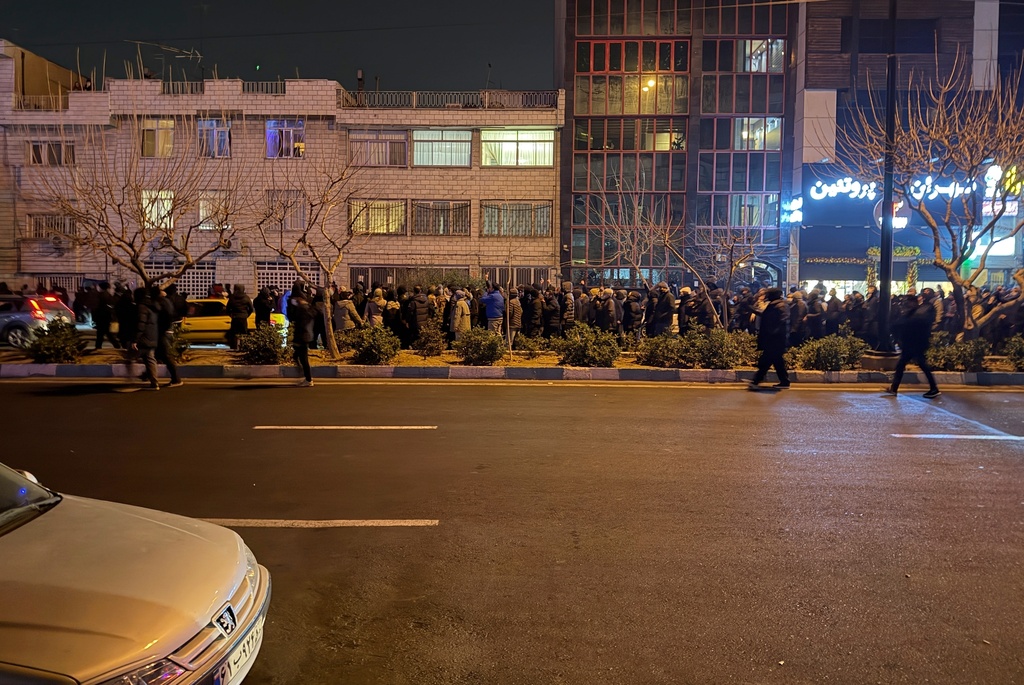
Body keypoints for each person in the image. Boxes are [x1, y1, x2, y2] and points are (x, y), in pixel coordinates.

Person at [885, 291, 941, 399]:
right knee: (903, 365)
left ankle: (934, 388)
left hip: (917, 343)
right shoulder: (911, 312)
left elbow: (912, 323)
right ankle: (894, 388)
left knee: (919, 365)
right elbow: (897, 325)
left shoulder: (924, 310)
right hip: (911, 343)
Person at [749, 288, 791, 390]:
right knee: (777, 361)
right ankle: (784, 381)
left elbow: (783, 319)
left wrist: (773, 332)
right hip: (773, 339)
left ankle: (756, 380)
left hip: (775, 339)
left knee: (766, 361)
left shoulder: (780, 305)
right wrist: (753, 310)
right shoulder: (775, 304)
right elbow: (766, 315)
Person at [152, 285, 183, 388]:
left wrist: (162, 330)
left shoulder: (161, 303)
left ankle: (176, 379)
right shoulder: (166, 301)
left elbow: (165, 317)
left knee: (165, 355)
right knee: (158, 355)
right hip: (166, 331)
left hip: (164, 332)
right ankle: (148, 374)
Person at [287, 280, 315, 386]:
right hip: (304, 334)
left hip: (303, 335)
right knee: (298, 356)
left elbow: (299, 322)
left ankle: (308, 379)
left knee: (303, 358)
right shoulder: (306, 307)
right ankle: (305, 376)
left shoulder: (302, 309)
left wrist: (299, 339)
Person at [133, 288, 161, 390]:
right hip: (153, 335)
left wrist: (135, 339)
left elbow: (141, 324)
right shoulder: (152, 306)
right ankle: (153, 381)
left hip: (145, 337)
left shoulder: (142, 307)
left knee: (142, 357)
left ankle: (154, 382)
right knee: (149, 358)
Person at [225, 284, 253, 349]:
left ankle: (234, 347)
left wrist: (231, 315)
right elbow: (251, 308)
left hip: (235, 317)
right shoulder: (246, 297)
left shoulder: (232, 298)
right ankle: (244, 347)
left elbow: (228, 309)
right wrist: (246, 315)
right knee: (244, 333)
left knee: (234, 333)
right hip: (243, 318)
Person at [93, 282, 120, 349]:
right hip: (106, 317)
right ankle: (99, 346)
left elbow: (98, 307)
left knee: (102, 333)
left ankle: (99, 346)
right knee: (105, 333)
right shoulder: (108, 295)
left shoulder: (102, 295)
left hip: (103, 316)